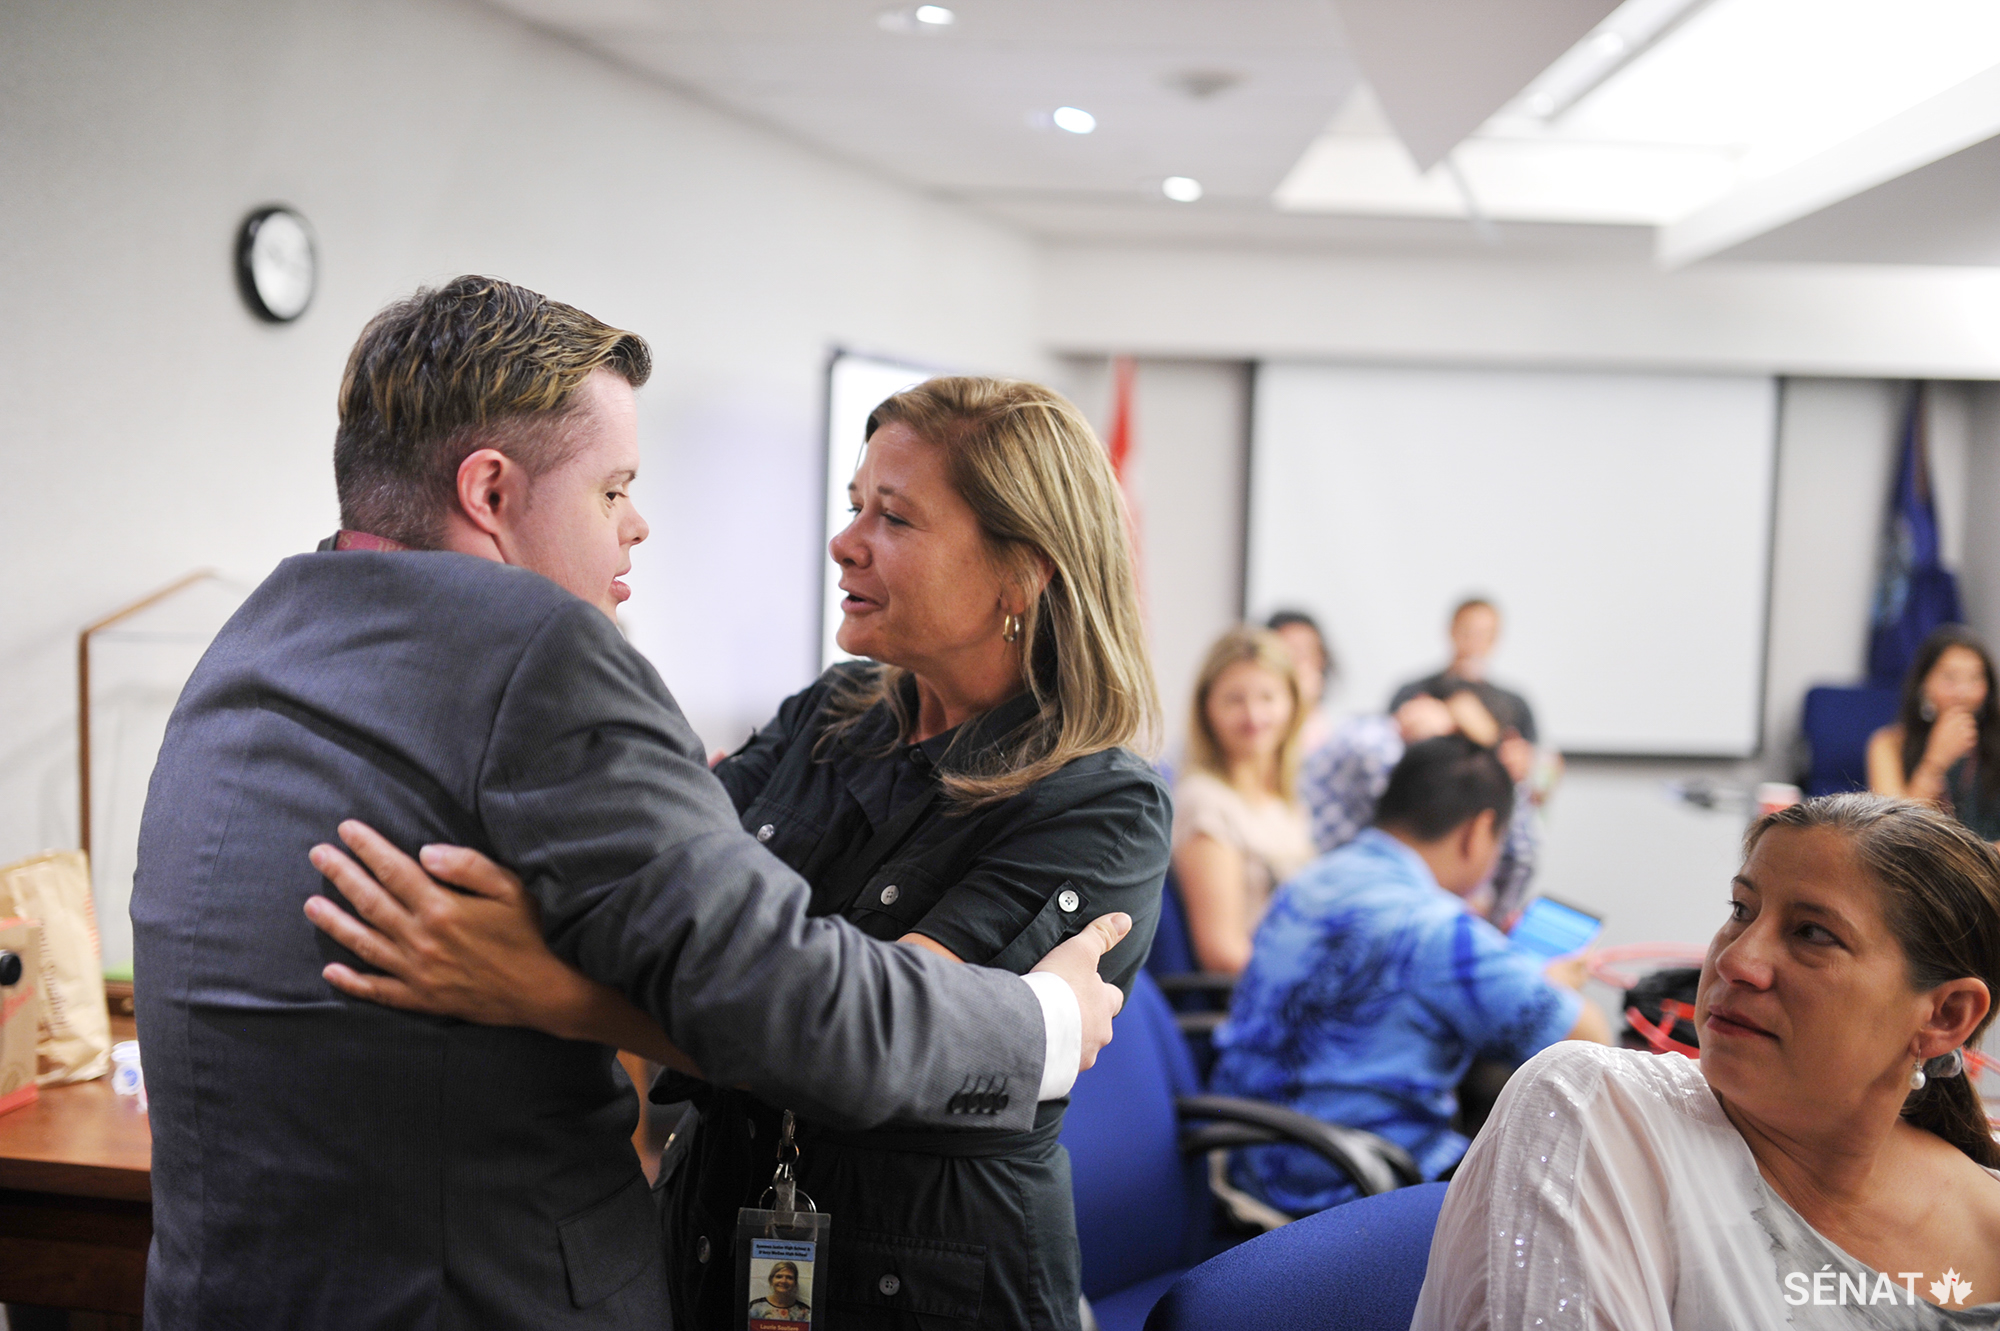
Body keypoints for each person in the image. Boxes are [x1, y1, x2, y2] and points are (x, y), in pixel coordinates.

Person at [129, 277, 1130, 1331]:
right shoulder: (542, 656)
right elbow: (795, 1002)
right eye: (612, 489)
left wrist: (544, 979)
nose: (637, 523)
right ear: (490, 492)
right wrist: (1045, 1019)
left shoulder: (256, 639)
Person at [1414, 794, 2000, 1328]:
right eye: (1742, 909)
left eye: (1813, 933)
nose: (1736, 961)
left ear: (1945, 1016)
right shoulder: (1593, 1110)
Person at [1209, 736, 1609, 1216]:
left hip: (1243, 1156)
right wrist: (1544, 982)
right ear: (1479, 831)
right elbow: (1590, 1043)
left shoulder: (1313, 879)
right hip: (1344, 1189)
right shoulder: (1438, 929)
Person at [1299, 684, 1540, 925]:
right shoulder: (1374, 742)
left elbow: (1521, 857)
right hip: (1320, 900)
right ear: (1423, 701)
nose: (1457, 753)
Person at [1172, 627, 1318, 975]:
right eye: (1234, 700)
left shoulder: (1286, 802)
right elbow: (1223, 953)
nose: (1253, 716)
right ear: (1207, 708)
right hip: (1257, 1004)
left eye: (1267, 698)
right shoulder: (1205, 803)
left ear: (1292, 704)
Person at [1868, 624, 2000, 842]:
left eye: (1976, 678)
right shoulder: (1888, 743)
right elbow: (1891, 835)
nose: (1963, 692)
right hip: (1919, 870)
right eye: (1950, 677)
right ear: (1924, 684)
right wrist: (1935, 762)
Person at [1390, 597, 1539, 745]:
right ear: (1451, 630)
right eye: (1467, 631)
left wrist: (1453, 723)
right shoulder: (1411, 693)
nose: (1474, 642)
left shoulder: (1514, 705)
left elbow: (1536, 760)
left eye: (1484, 634)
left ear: (1495, 638)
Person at [1266, 608, 1335, 755]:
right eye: (1289, 652)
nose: (1300, 663)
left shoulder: (1324, 722)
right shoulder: (1261, 720)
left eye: (1307, 652)